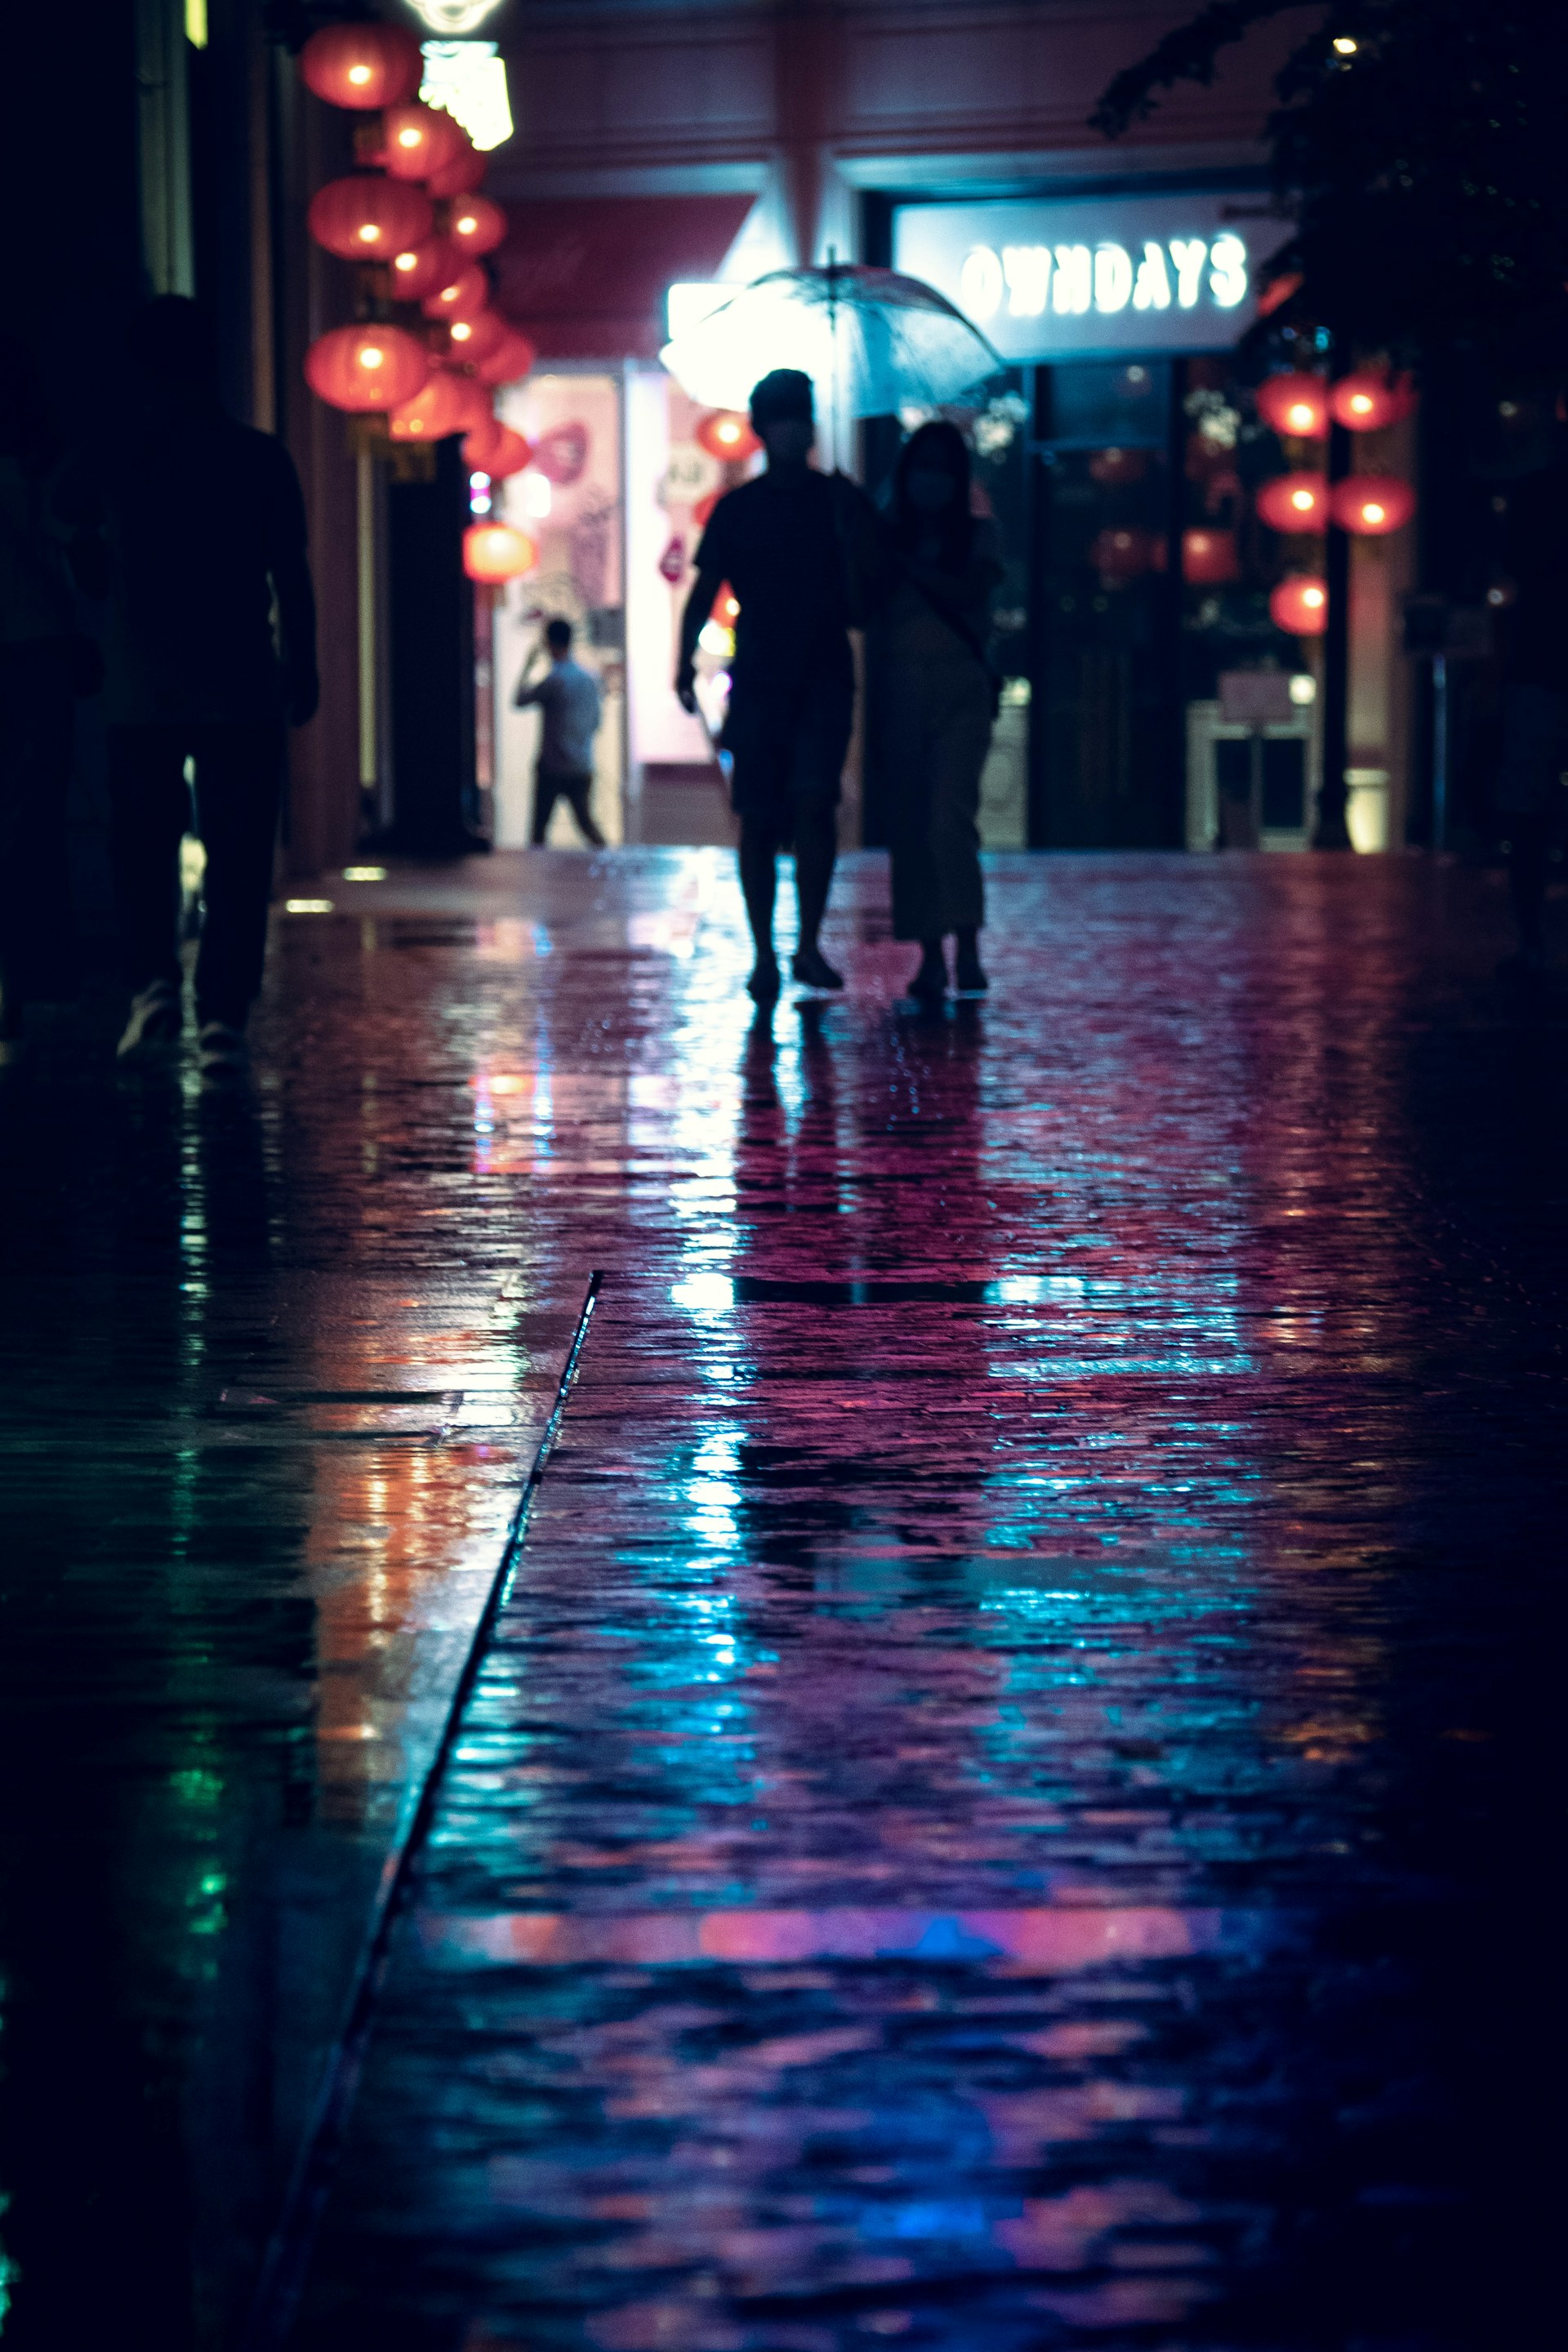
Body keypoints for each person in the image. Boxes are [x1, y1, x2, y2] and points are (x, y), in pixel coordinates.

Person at [55, 296, 318, 1075]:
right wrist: (301, 664)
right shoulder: (257, 456)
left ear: (138, 364)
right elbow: (290, 574)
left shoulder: (111, 448)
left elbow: (63, 516)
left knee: (142, 841)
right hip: (240, 678)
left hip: (142, 680)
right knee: (239, 851)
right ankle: (224, 1017)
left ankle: (153, 987)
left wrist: (96, 570)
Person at [676, 368, 879, 1001]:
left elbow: (866, 596)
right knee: (760, 819)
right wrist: (682, 662)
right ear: (764, 429)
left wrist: (853, 528)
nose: (794, 430)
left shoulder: (838, 502)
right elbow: (704, 589)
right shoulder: (740, 509)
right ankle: (766, 952)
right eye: (782, 417)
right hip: (762, 678)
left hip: (819, 675)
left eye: (801, 416)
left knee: (815, 808)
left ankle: (806, 944)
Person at [872, 420, 1003, 1005]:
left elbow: (972, 593)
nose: (931, 481)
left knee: (950, 817)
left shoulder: (976, 535)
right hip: (901, 688)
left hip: (959, 686)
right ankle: (930, 954)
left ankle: (967, 948)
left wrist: (909, 568)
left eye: (941, 468)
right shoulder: (885, 535)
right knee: (911, 822)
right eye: (922, 467)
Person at [0, 335, 81, 1059]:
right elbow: (70, 557)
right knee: (28, 817)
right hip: (37, 648)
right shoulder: (40, 468)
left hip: (35, 649)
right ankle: (22, 978)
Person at [514, 617, 605, 847]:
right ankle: (610, 867)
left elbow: (519, 700)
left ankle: (536, 878)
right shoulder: (588, 679)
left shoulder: (554, 681)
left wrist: (528, 667)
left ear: (549, 644)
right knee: (586, 824)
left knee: (539, 832)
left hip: (552, 766)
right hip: (581, 764)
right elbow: (596, 722)